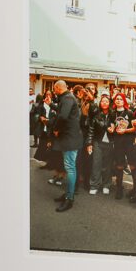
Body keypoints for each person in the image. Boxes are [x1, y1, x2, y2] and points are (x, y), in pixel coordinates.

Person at [50, 80, 82, 212]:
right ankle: (68, 194)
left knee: (70, 168)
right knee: (69, 167)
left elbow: (63, 116)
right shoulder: (67, 97)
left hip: (70, 138)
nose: (54, 91)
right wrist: (51, 105)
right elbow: (62, 111)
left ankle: (69, 198)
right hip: (70, 138)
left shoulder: (68, 98)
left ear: (58, 88)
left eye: (54, 89)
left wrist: (56, 129)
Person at [108, 92, 135, 199]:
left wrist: (125, 130)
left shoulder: (129, 112)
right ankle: (119, 188)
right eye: (116, 99)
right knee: (119, 165)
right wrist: (111, 129)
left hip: (128, 142)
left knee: (132, 164)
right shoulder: (112, 113)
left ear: (124, 100)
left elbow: (134, 128)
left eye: (120, 99)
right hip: (118, 142)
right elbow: (112, 126)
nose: (118, 100)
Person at [86, 93, 113, 194]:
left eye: (106, 101)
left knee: (107, 165)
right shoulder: (96, 116)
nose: (104, 103)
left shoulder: (113, 115)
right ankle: (94, 185)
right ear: (100, 103)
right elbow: (91, 130)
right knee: (96, 164)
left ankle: (106, 185)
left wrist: (113, 130)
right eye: (103, 101)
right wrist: (89, 144)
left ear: (109, 103)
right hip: (98, 142)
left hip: (110, 143)